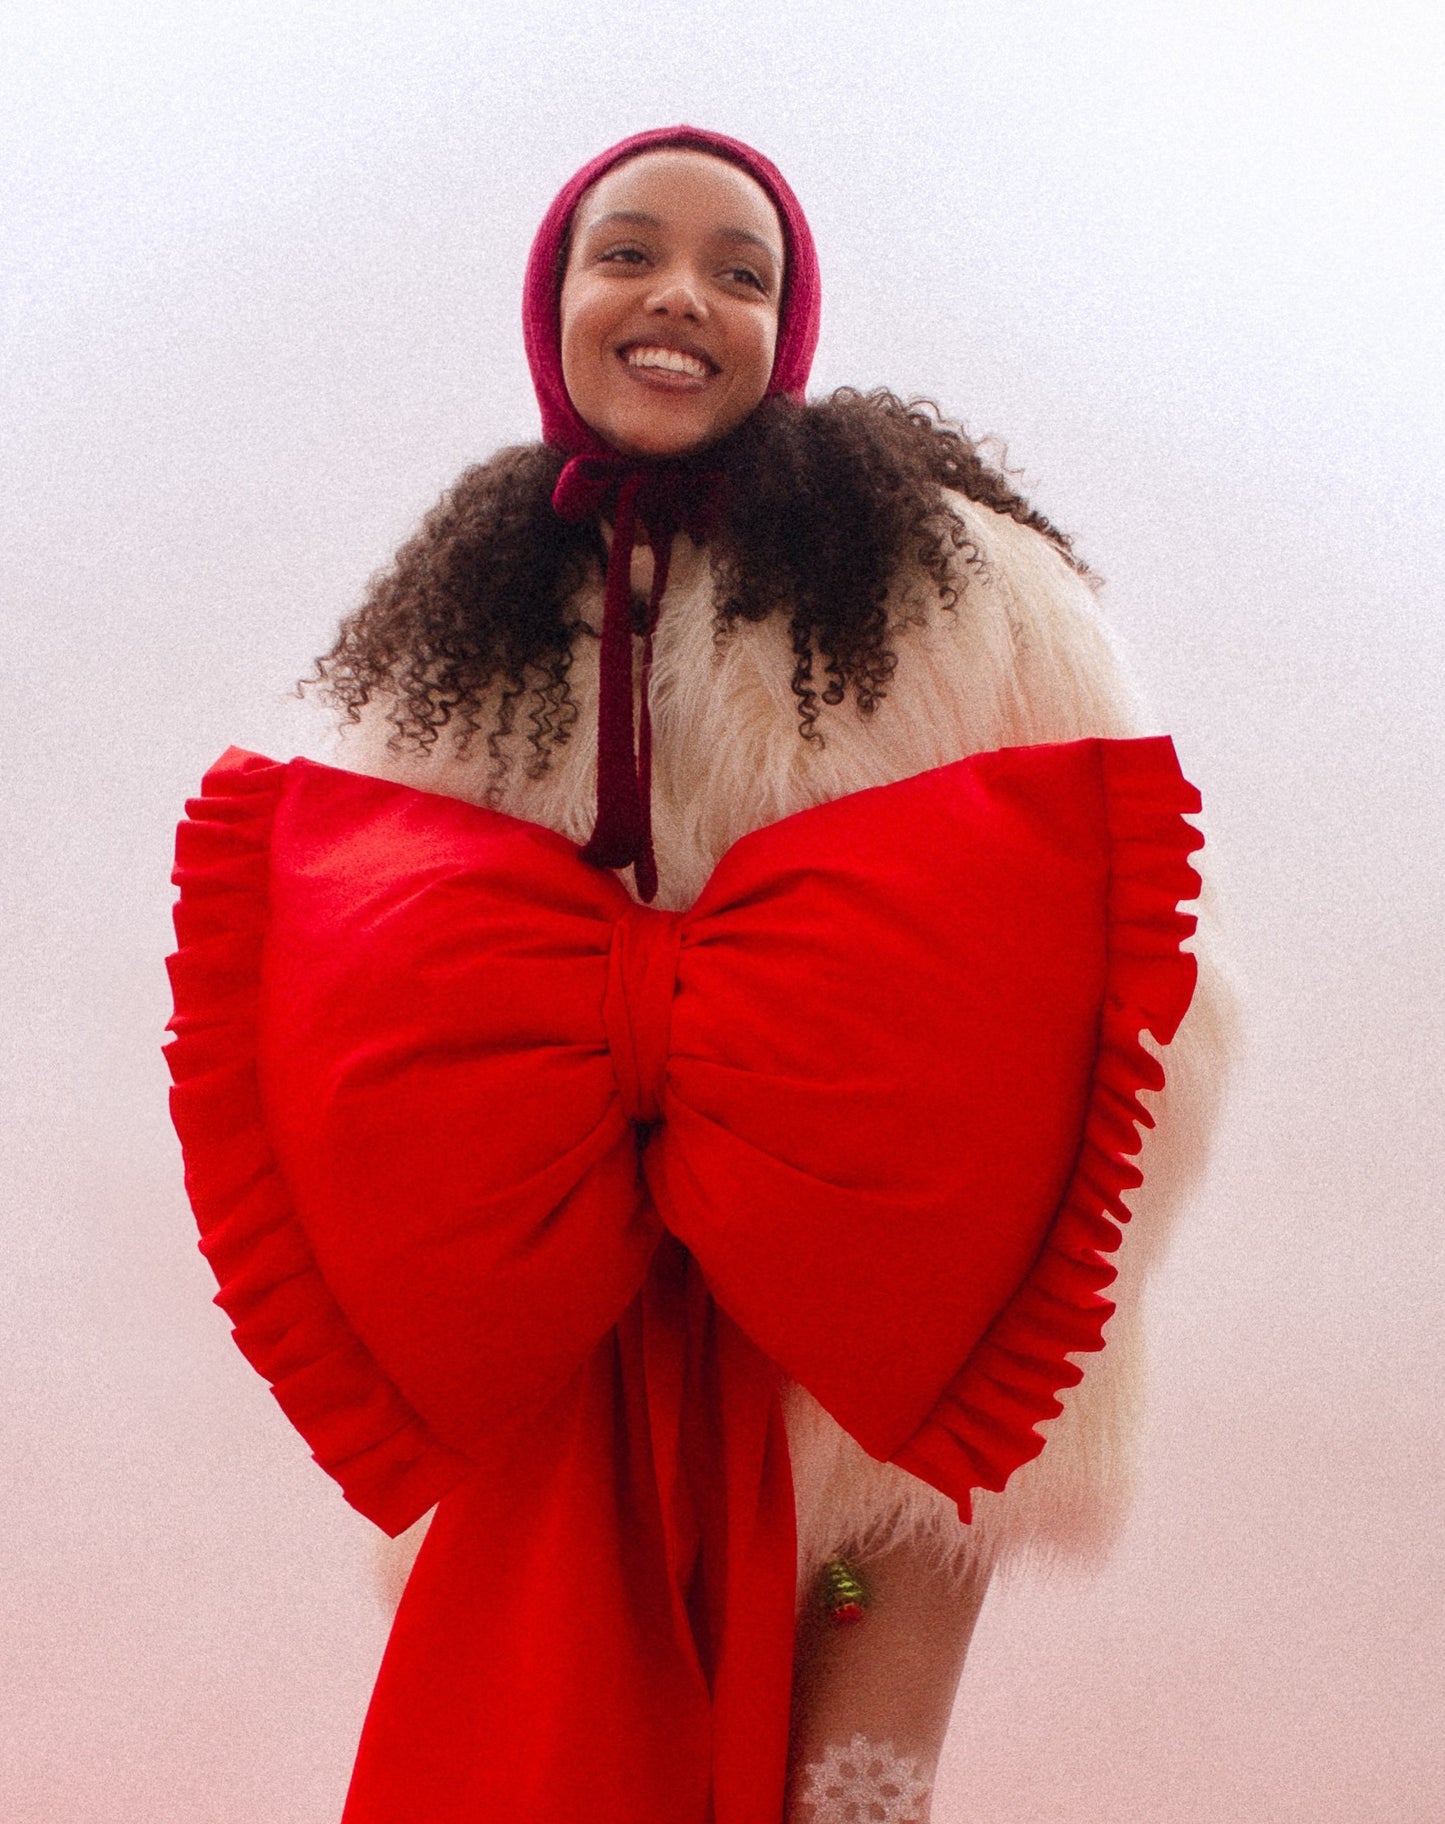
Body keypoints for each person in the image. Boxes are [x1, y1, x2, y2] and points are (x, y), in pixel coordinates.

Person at [166, 126, 1228, 1824]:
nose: (682, 296)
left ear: (789, 332)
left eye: (744, 271)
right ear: (556, 302)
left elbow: (1123, 950)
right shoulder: (461, 635)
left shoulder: (971, 594)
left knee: (854, 1795)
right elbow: (362, 969)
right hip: (566, 1331)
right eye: (630, 252)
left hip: (884, 1333)